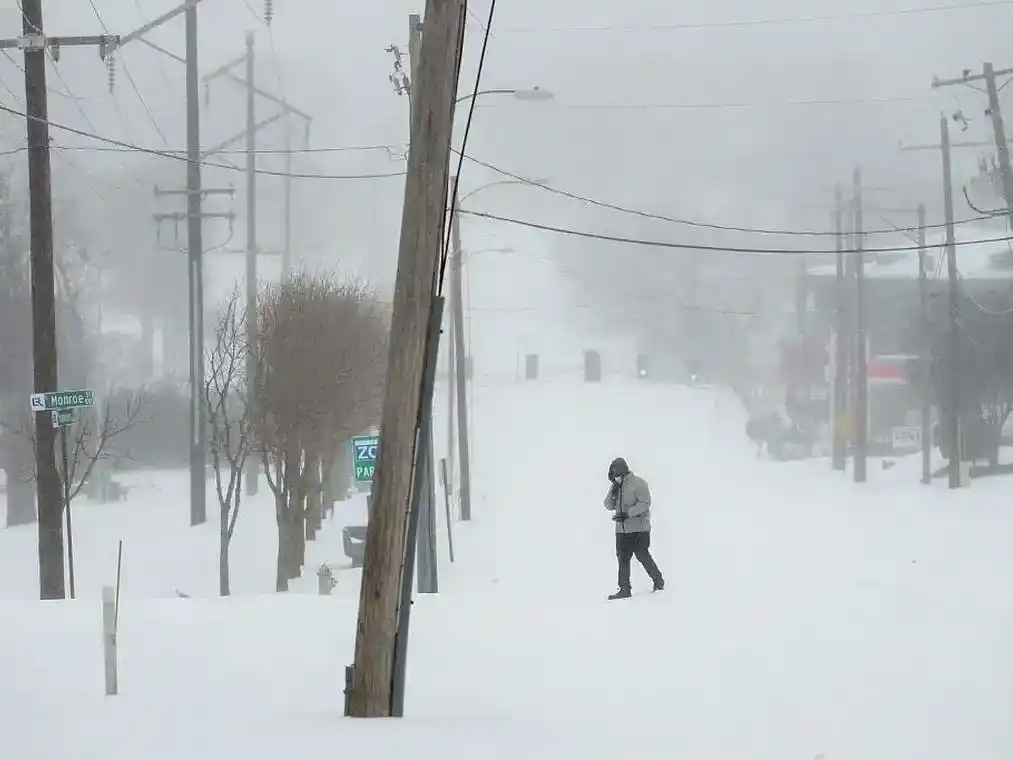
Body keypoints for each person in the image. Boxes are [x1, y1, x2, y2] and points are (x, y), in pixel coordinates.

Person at [603, 457, 664, 600]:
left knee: (642, 555)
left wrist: (627, 514)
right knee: (622, 558)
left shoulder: (639, 484)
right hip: (622, 530)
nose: (615, 477)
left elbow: (645, 503)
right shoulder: (616, 486)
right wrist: (613, 490)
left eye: (616, 474)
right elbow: (608, 506)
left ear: (622, 471)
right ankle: (624, 589)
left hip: (639, 529)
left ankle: (658, 581)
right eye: (612, 475)